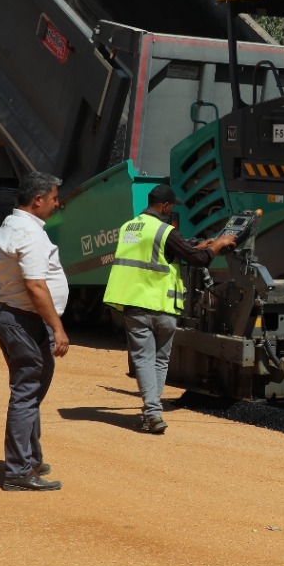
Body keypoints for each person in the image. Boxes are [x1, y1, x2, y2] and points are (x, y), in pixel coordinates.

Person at [103, 184, 238, 434]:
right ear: (165, 206)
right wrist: (218, 244)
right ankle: (153, 412)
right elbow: (198, 260)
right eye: (171, 206)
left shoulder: (128, 228)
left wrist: (200, 245)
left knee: (143, 358)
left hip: (133, 303)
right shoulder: (165, 230)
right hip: (161, 305)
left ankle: (152, 412)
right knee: (160, 360)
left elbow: (158, 253)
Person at [0, 172, 69, 491]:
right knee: (27, 393)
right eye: (54, 198)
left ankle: (30, 459)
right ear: (38, 200)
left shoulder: (12, 224)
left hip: (14, 317)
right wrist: (57, 328)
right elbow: (35, 285)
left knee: (30, 391)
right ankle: (18, 471)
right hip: (25, 321)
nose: (57, 204)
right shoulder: (31, 234)